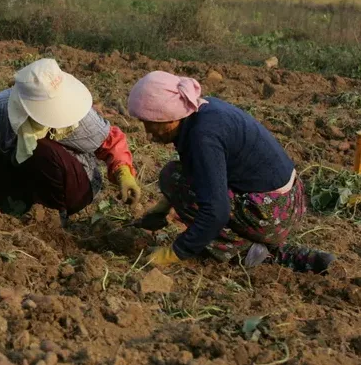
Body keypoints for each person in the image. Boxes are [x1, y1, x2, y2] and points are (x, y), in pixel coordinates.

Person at [127, 70, 336, 274]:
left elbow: (215, 212)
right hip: (289, 199)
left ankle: (261, 254)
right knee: (178, 178)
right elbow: (199, 171)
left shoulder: (203, 137)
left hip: (273, 212)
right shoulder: (200, 110)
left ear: (169, 116)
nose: (148, 133)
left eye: (151, 123)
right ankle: (274, 250)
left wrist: (174, 253)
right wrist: (162, 209)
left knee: (176, 181)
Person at [0, 58, 141, 220]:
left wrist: (124, 175)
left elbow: (110, 141)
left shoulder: (78, 112)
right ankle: (12, 207)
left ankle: (51, 219)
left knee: (41, 150)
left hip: (71, 186)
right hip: (14, 178)